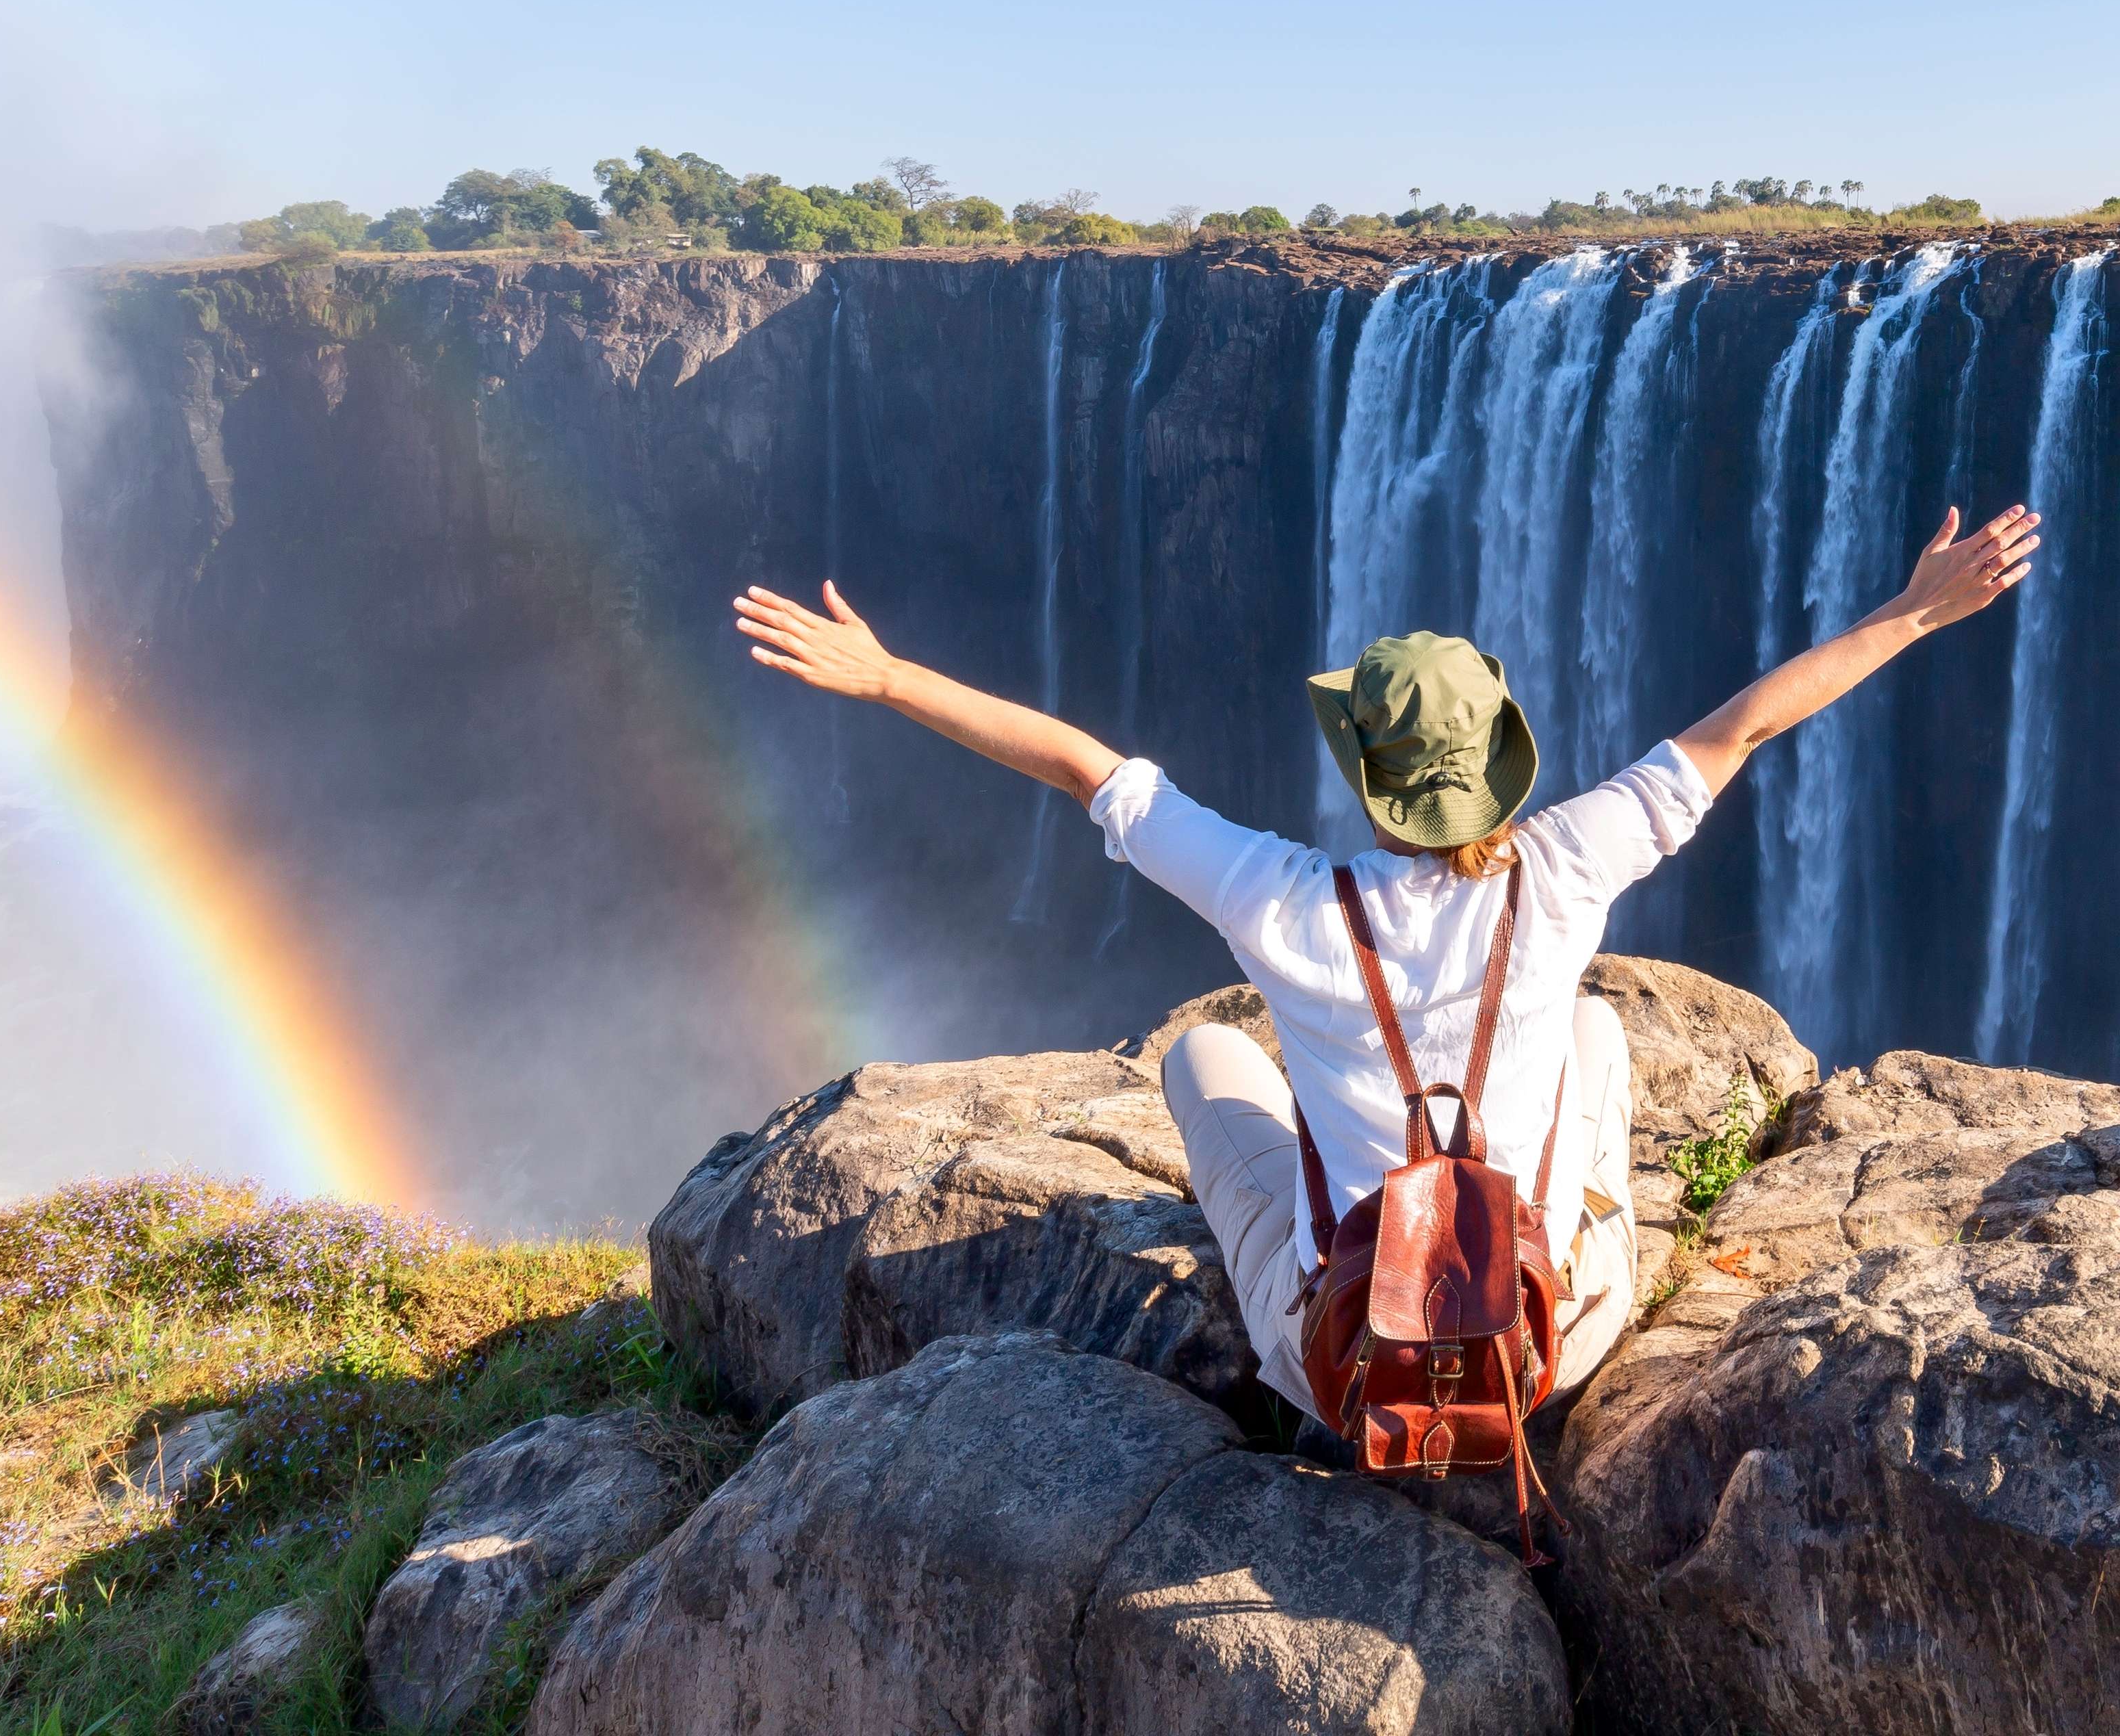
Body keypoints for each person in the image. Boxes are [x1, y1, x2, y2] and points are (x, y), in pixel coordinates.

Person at [729, 498, 2039, 1423]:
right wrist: (1918, 613)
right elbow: (1743, 727)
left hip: (1343, 1372)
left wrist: (890, 678)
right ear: (1500, 767)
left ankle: (1324, 1323)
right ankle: (1576, 1289)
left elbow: (1086, 768)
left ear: (1367, 782)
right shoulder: (1569, 866)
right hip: (1548, 1357)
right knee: (1591, 1034)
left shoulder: (1281, 901)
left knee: (1202, 1054)